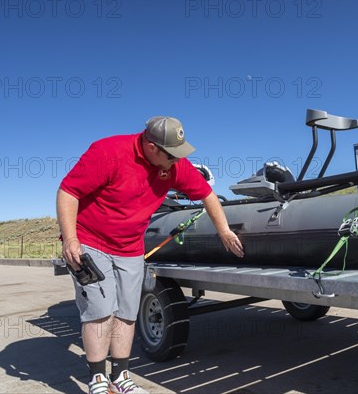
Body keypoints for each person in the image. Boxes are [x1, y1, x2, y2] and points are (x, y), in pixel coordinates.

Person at [57, 116, 244, 394]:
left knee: (126, 314)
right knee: (99, 312)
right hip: (91, 241)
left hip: (130, 246)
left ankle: (121, 377)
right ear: (152, 146)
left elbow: (207, 194)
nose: (176, 161)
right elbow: (68, 192)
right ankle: (98, 379)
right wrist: (70, 238)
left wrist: (225, 231)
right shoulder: (108, 152)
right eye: (171, 155)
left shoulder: (174, 165)